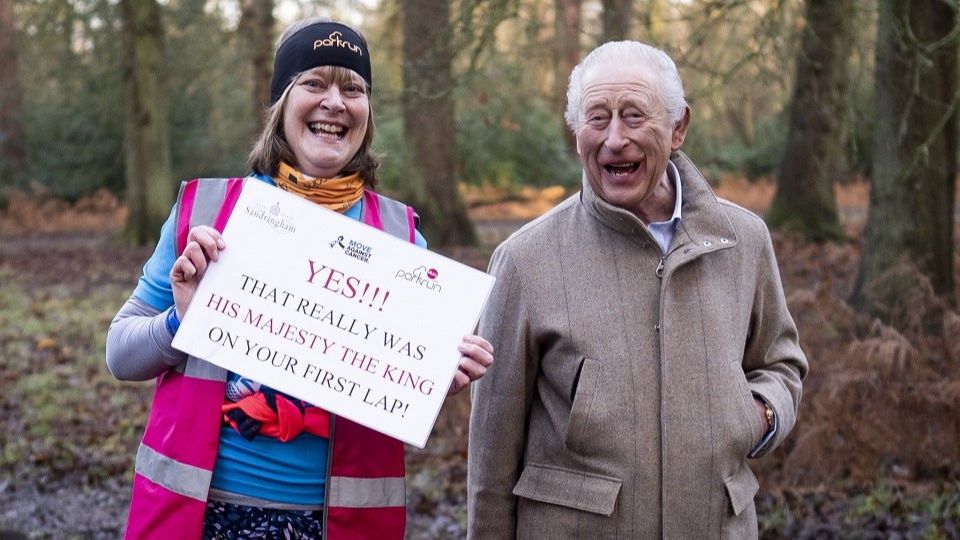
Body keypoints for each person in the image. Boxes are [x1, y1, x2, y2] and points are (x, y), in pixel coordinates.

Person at [106, 17, 494, 540]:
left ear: (367, 113)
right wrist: (181, 319)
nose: (334, 102)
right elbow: (120, 355)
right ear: (281, 105)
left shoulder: (402, 240)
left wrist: (436, 380)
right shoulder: (207, 211)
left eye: (352, 88)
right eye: (314, 83)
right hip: (202, 518)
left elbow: (404, 383)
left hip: (336, 526)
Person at [467, 40, 807, 539]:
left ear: (678, 129)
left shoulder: (743, 240)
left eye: (633, 116)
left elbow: (781, 362)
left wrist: (757, 413)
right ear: (576, 131)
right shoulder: (524, 260)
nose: (614, 139)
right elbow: (491, 460)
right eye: (597, 118)